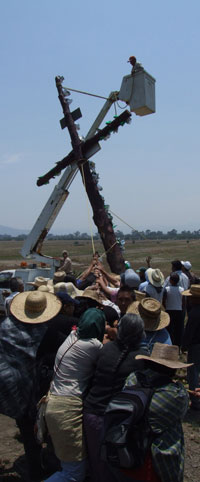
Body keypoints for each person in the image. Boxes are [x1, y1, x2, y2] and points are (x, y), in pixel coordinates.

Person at [0, 290, 62, 481]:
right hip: (33, 388)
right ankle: (45, 467)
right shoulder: (46, 332)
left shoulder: (6, 326)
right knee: (43, 428)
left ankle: (34, 467)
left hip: (10, 383)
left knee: (26, 428)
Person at [83, 313, 148, 482]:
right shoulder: (141, 359)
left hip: (92, 414)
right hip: (118, 421)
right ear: (141, 334)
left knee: (99, 467)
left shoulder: (105, 349)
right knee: (118, 468)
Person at [44, 308, 106, 482]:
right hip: (67, 408)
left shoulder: (72, 335)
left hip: (53, 400)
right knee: (74, 473)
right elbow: (107, 352)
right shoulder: (94, 346)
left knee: (69, 463)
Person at [115, 343, 191, 482]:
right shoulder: (176, 394)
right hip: (155, 459)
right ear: (173, 369)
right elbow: (184, 409)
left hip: (128, 449)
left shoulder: (133, 379)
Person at [182, 285, 200, 410]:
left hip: (196, 345)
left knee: (193, 372)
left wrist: (184, 345)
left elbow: (189, 331)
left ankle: (195, 400)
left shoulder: (194, 313)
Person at [162, 273, 184, 347]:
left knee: (169, 329)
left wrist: (166, 307)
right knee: (178, 329)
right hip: (179, 310)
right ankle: (177, 346)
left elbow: (164, 300)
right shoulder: (182, 289)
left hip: (169, 310)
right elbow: (183, 302)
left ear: (170, 280)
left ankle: (169, 344)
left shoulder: (167, 289)